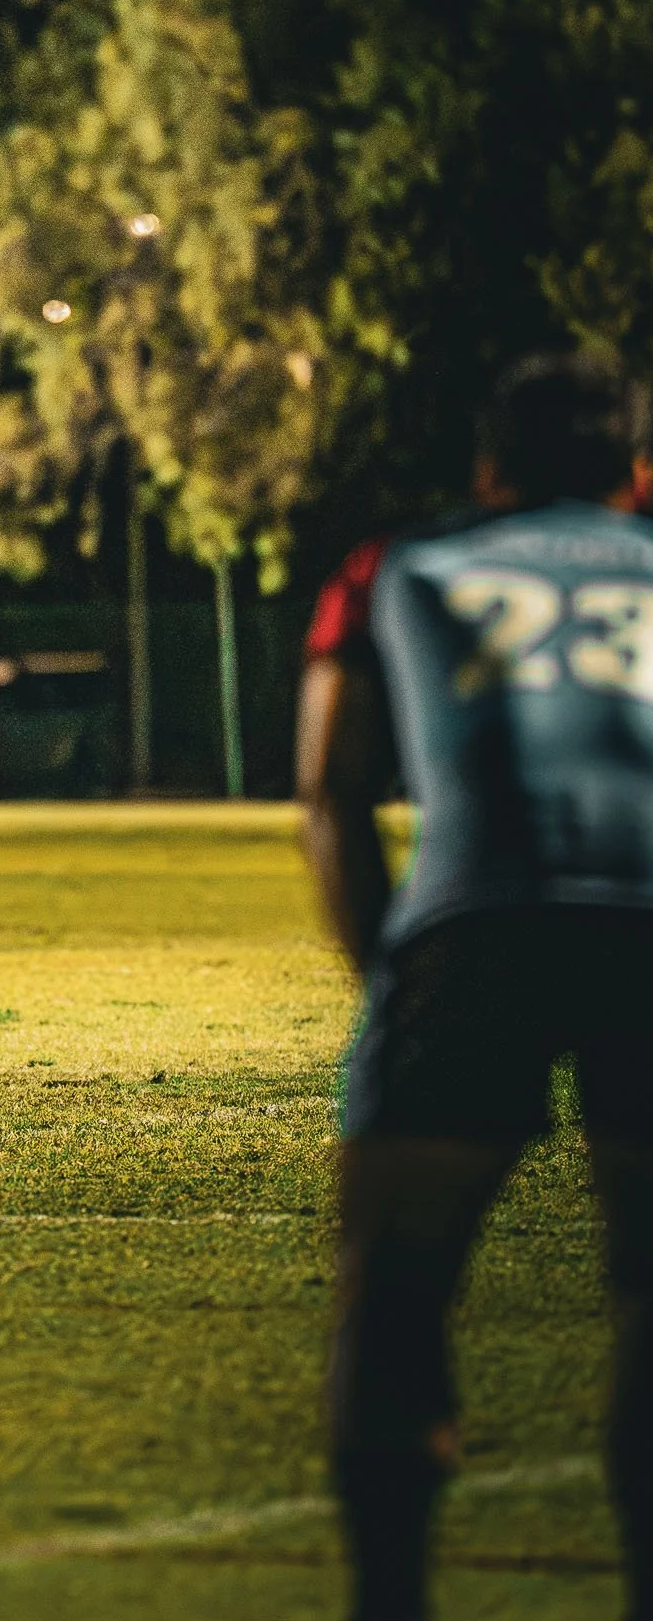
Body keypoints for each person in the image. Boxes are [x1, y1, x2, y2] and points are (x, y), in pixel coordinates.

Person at [296, 355, 653, 1620]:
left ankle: (389, 1602)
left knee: (393, 1294)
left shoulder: (398, 564)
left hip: (473, 928)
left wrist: (392, 969)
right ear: (635, 472)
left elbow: (331, 793)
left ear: (488, 473)